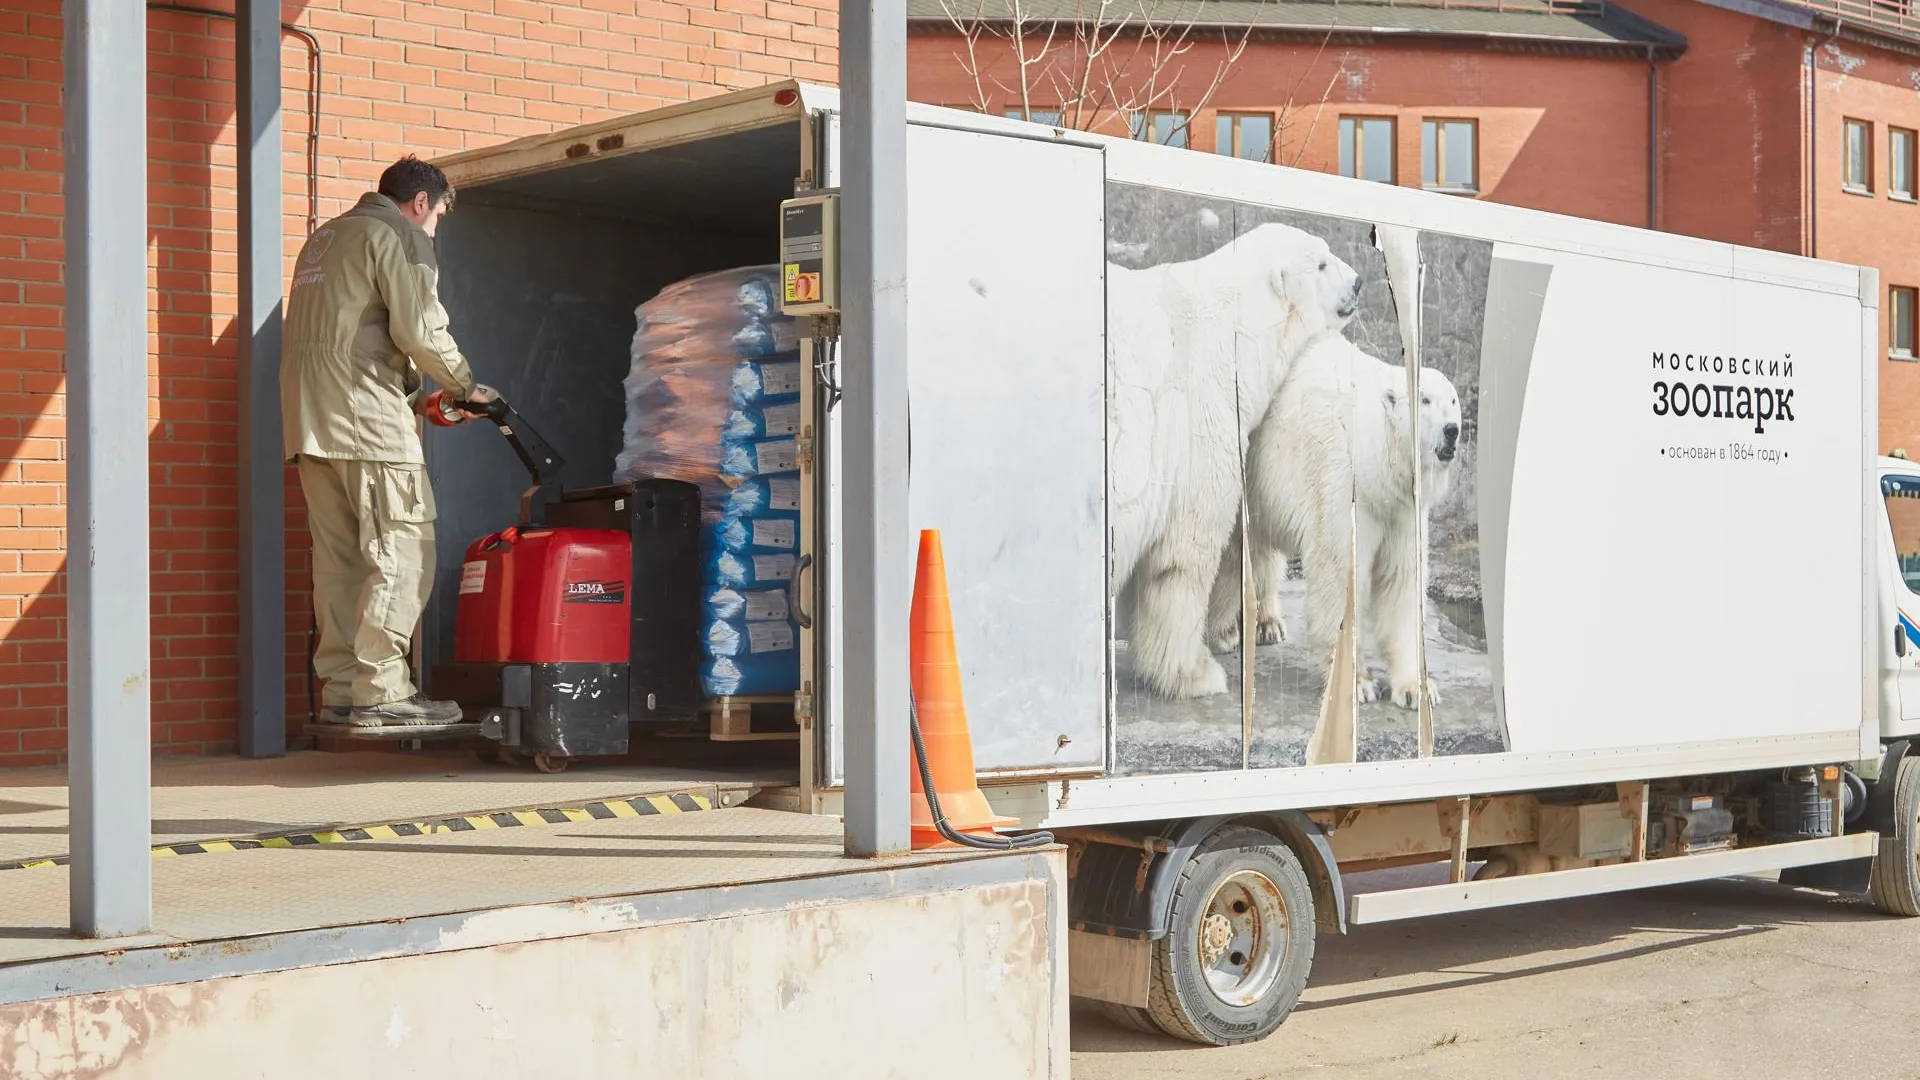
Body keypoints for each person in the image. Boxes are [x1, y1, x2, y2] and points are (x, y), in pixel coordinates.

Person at [282, 155, 496, 727]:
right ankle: (383, 691)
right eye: (439, 216)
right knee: (405, 549)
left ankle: (344, 690)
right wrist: (466, 386)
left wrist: (412, 398)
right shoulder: (396, 235)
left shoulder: (323, 241)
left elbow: (347, 339)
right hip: (367, 424)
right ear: (420, 202)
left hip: (310, 424)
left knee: (341, 562)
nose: (433, 229)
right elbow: (420, 327)